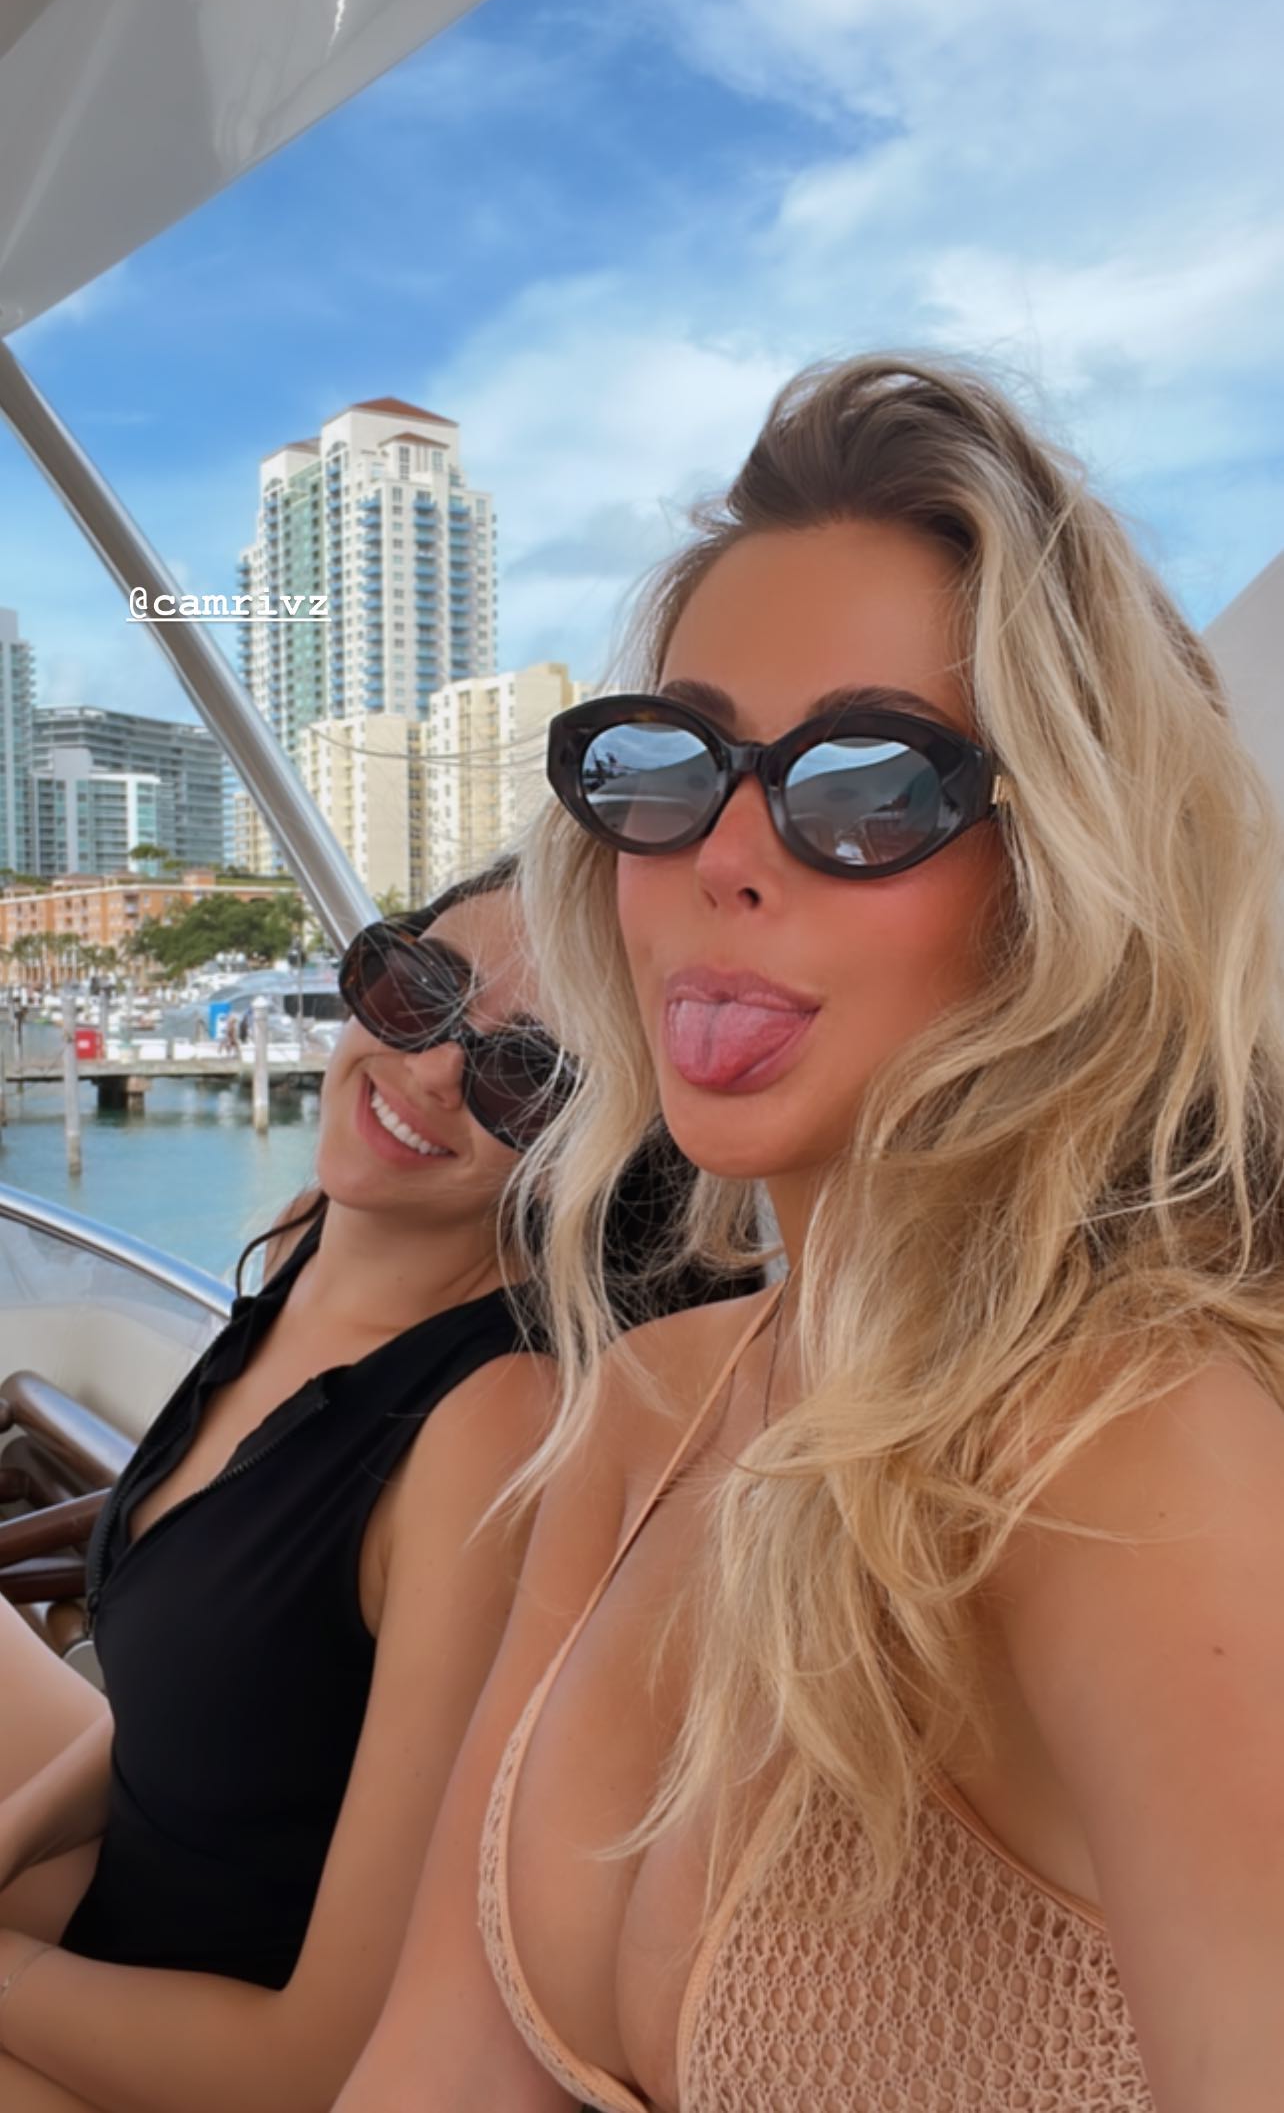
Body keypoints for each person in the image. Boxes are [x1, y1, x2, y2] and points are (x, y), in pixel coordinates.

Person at [338, 355, 1284, 2113]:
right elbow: (430, 2071)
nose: (724, 855)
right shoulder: (640, 1417)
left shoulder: (1130, 1457)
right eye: (667, 765)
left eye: (867, 785)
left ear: (1062, 872)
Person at [0, 862, 571, 2112]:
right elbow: (203, 1710)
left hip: (199, 2050)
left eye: (526, 1073)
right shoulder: (315, 1244)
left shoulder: (489, 1430)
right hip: (124, 1896)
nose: (432, 1070)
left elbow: (313, 2060)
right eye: (422, 988)